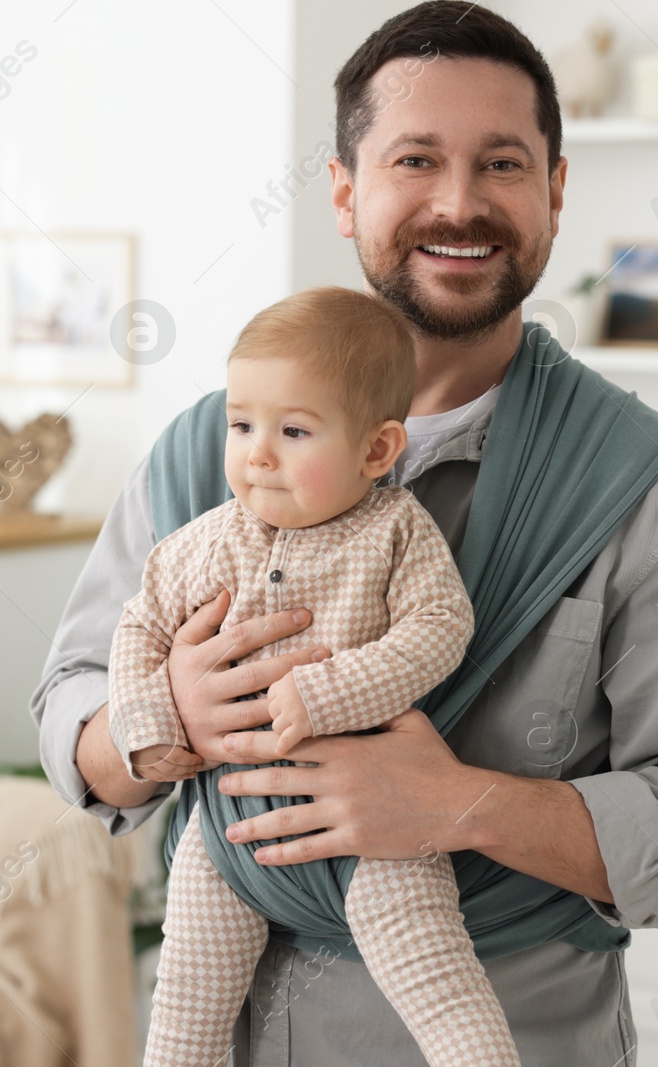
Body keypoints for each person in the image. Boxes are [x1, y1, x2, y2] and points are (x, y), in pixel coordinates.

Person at [30, 4, 658, 1063]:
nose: (459, 202)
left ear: (554, 193)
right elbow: (71, 705)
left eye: (501, 163)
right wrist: (170, 716)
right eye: (414, 159)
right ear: (346, 190)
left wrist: (462, 805)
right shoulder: (202, 452)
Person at [115, 284, 525, 1067]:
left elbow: (441, 629)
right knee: (183, 1018)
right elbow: (137, 631)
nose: (257, 451)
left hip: (377, 822)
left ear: (377, 450)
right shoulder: (199, 545)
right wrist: (154, 724)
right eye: (241, 425)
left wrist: (326, 692)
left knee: (443, 988)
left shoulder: (396, 531)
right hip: (232, 826)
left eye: (294, 430)